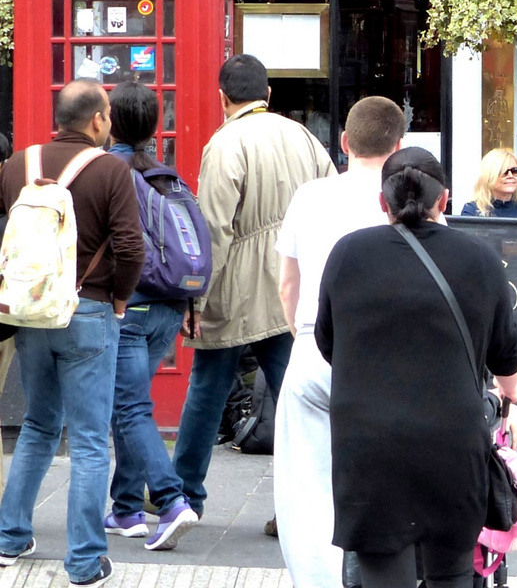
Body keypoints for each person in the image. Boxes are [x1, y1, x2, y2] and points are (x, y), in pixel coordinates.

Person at [316, 147, 517, 588]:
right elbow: (508, 367)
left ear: (382, 202)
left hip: (369, 443)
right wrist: (511, 393)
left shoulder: (347, 254)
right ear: (444, 200)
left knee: (380, 574)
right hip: (451, 444)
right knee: (452, 573)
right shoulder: (481, 259)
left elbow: (328, 344)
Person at [173, 54, 335, 521]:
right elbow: (329, 199)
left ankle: (183, 496)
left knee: (207, 389)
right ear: (268, 95)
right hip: (293, 288)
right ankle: (305, 506)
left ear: (223, 97)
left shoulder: (225, 144)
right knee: (298, 400)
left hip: (236, 289)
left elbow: (214, 229)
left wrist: (196, 297)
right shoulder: (303, 136)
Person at [0, 79, 146, 587]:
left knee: (39, 426)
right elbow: (131, 247)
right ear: (99, 120)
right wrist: (122, 297)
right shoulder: (110, 169)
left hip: (30, 313)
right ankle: (84, 561)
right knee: (88, 441)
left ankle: (9, 539)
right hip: (89, 311)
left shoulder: (18, 165)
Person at [274, 97, 406, 588]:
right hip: (386, 361)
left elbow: (288, 283)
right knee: (385, 482)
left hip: (315, 348)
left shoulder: (310, 196)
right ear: (399, 147)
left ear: (345, 143)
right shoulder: (405, 201)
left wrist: (300, 333)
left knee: (307, 489)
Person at [101, 81, 200, 552]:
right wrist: (192, 307)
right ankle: (125, 508)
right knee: (132, 405)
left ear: (109, 121)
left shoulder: (108, 171)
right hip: (169, 306)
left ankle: (170, 499)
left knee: (131, 408)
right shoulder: (166, 173)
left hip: (129, 307)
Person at [461, 148, 517, 218]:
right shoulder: (472, 211)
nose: (510, 176)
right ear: (489, 176)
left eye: (515, 171)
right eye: (503, 172)